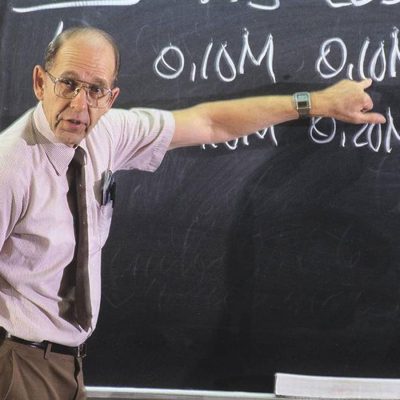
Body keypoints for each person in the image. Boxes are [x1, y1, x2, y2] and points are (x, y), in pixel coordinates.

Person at [0, 26, 385, 400]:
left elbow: (209, 122)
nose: (80, 104)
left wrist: (317, 103)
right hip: (17, 363)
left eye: (95, 90)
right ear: (40, 83)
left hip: (66, 364)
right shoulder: (10, 167)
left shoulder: (105, 132)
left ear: (111, 97)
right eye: (67, 83)